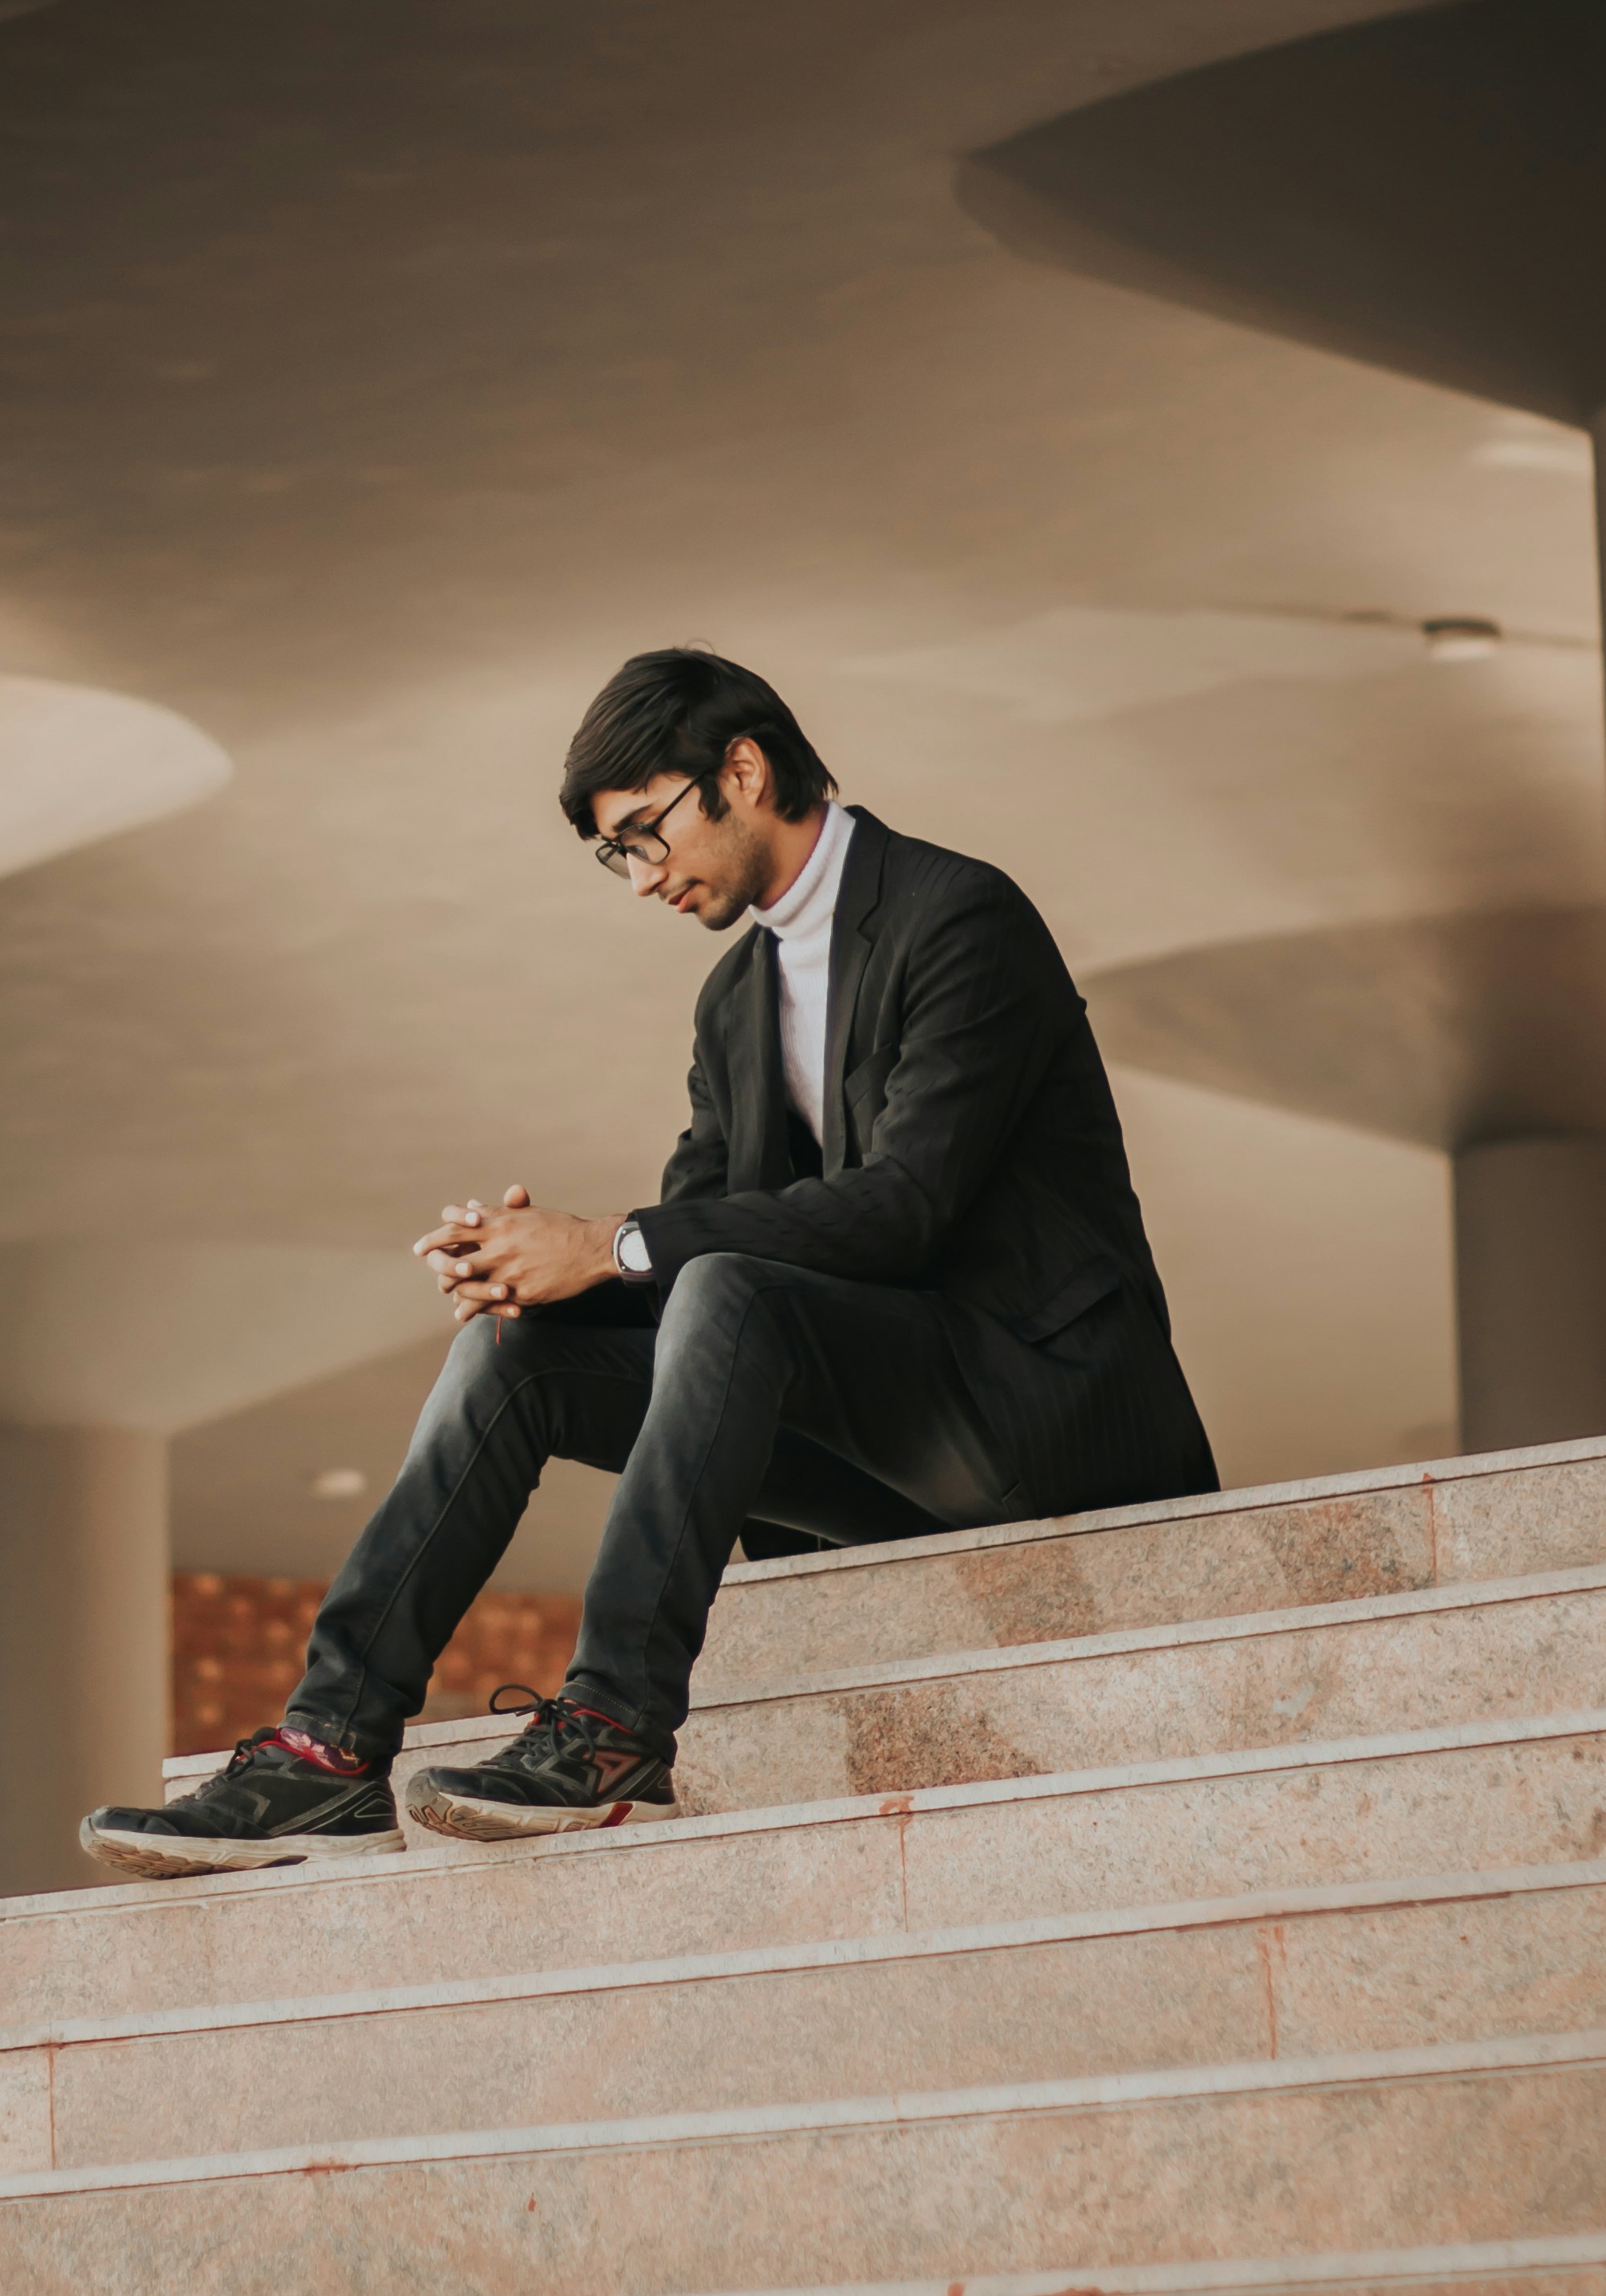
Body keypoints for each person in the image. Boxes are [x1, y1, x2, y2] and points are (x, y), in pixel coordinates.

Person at [82, 646, 1216, 1875]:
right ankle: (331, 1750)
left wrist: (612, 1245)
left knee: (721, 1285)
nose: (639, 880)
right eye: (615, 854)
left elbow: (905, 1210)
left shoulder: (959, 915)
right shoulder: (735, 1000)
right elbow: (688, 1264)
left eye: (645, 833)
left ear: (743, 769)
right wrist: (544, 1271)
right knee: (517, 1350)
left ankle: (617, 1727)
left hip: (1040, 1412)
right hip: (878, 1444)